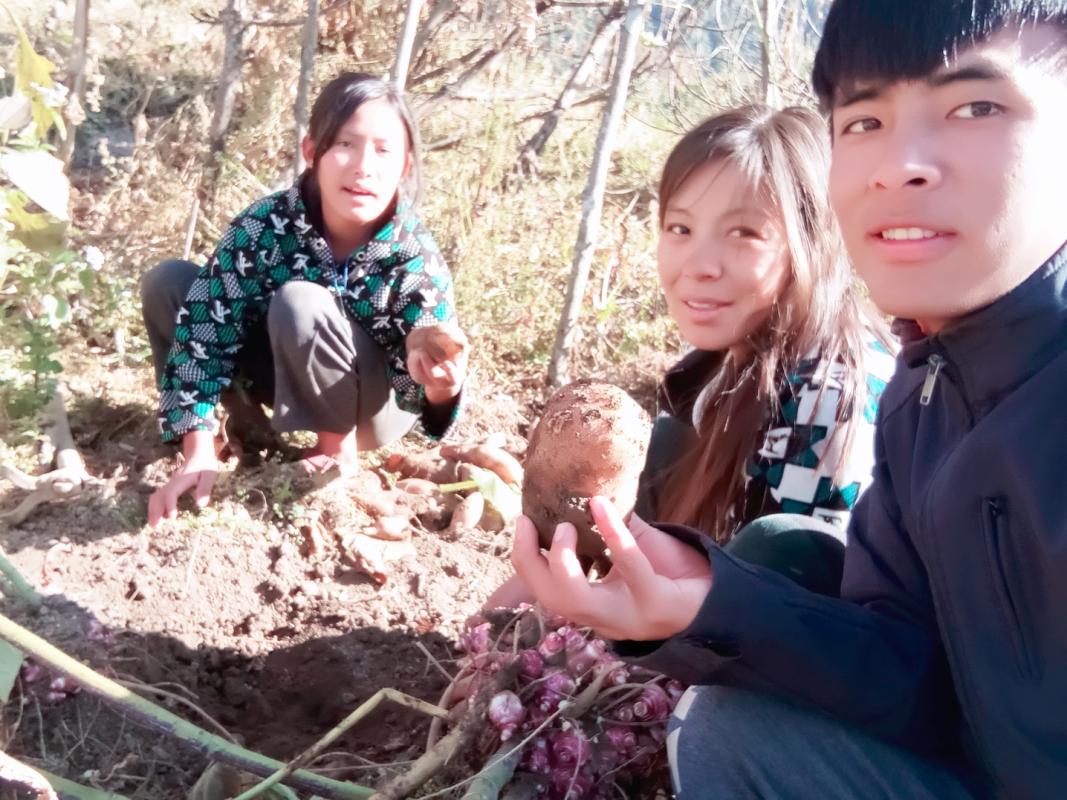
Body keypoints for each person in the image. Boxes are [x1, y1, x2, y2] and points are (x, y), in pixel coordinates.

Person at [511, 1, 1067, 798]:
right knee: (732, 722)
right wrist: (702, 602)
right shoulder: (924, 394)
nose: (898, 163)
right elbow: (912, 674)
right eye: (864, 119)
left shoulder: (856, 393)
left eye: (974, 107)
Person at [488, 104, 895, 609]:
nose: (699, 266)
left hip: (789, 647)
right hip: (713, 600)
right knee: (648, 442)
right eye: (680, 229)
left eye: (744, 233)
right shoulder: (725, 347)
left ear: (812, 242)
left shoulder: (827, 399)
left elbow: (800, 611)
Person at [142, 72, 467, 528]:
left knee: (301, 302)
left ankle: (333, 451)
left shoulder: (414, 256)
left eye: (383, 150)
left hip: (372, 406)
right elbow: (205, 332)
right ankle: (236, 427)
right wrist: (195, 450)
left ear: (405, 165)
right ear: (311, 152)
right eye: (345, 144)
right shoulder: (263, 227)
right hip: (281, 376)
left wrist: (442, 386)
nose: (363, 167)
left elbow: (430, 394)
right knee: (171, 284)